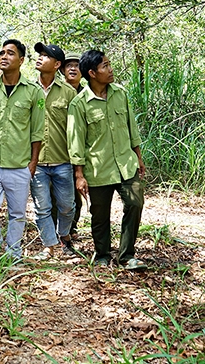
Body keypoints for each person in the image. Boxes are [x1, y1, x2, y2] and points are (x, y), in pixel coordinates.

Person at [68, 50, 147, 270]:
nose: (110, 69)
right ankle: (102, 253)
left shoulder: (120, 94)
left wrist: (139, 157)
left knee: (135, 203)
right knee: (99, 215)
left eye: (109, 64)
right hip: (98, 168)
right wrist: (79, 174)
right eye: (105, 66)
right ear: (92, 73)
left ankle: (126, 255)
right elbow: (76, 142)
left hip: (126, 164)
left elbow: (132, 128)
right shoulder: (79, 104)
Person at [0, 39, 44, 260]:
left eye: (10, 53)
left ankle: (13, 252)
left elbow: (37, 131)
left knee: (17, 214)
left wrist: (33, 162)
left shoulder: (34, 92)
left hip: (19, 164)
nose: (4, 56)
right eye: (2, 52)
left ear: (21, 60)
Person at [29, 43, 78, 260]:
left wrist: (78, 164)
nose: (40, 58)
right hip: (36, 163)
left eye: (45, 56)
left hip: (63, 161)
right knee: (42, 207)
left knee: (67, 206)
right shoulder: (28, 90)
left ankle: (64, 235)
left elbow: (76, 129)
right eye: (39, 55)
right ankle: (48, 246)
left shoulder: (68, 93)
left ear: (57, 64)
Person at [59, 52, 84, 241]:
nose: (73, 68)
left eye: (77, 65)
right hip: (58, 151)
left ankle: (71, 228)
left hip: (81, 152)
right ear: (62, 69)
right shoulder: (55, 91)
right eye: (69, 65)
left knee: (76, 195)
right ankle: (54, 231)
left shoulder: (88, 93)